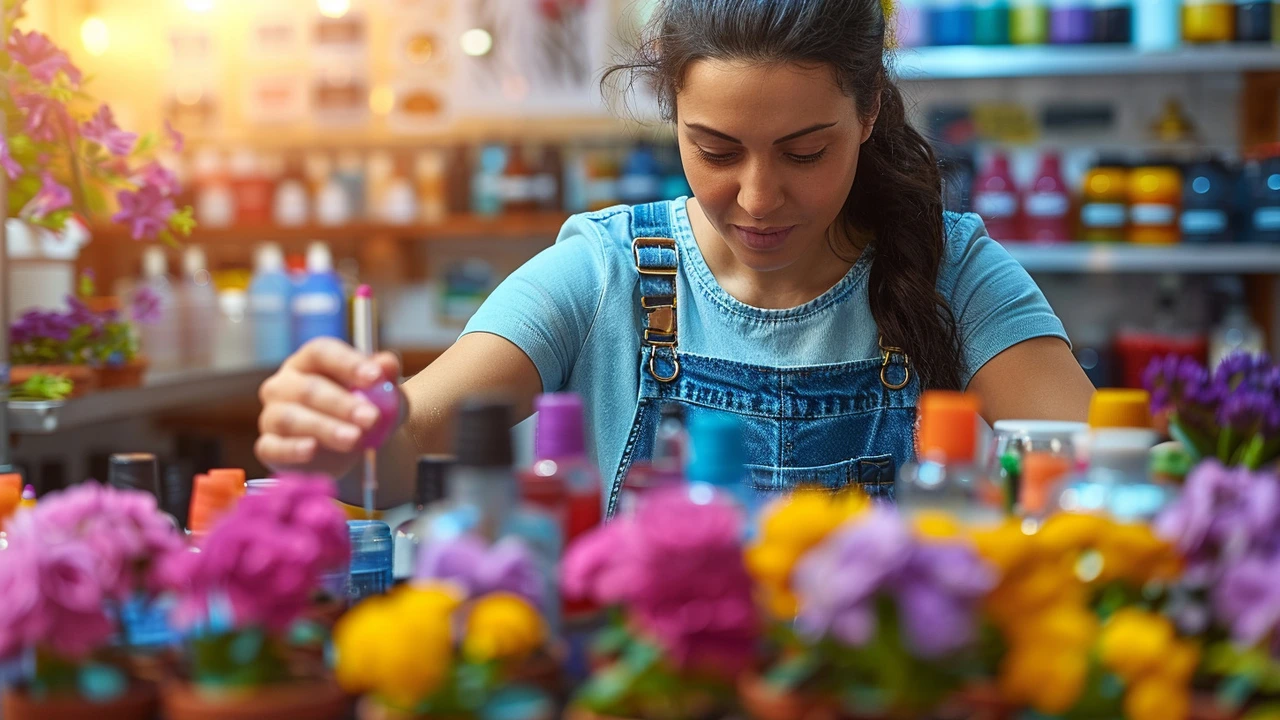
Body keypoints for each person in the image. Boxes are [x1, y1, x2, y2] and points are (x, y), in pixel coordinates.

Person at [255, 0, 1095, 512]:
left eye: (805, 152)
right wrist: (349, 434)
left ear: (870, 109)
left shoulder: (954, 271)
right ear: (672, 117)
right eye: (717, 150)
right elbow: (402, 450)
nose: (759, 198)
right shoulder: (601, 269)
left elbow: (1099, 469)